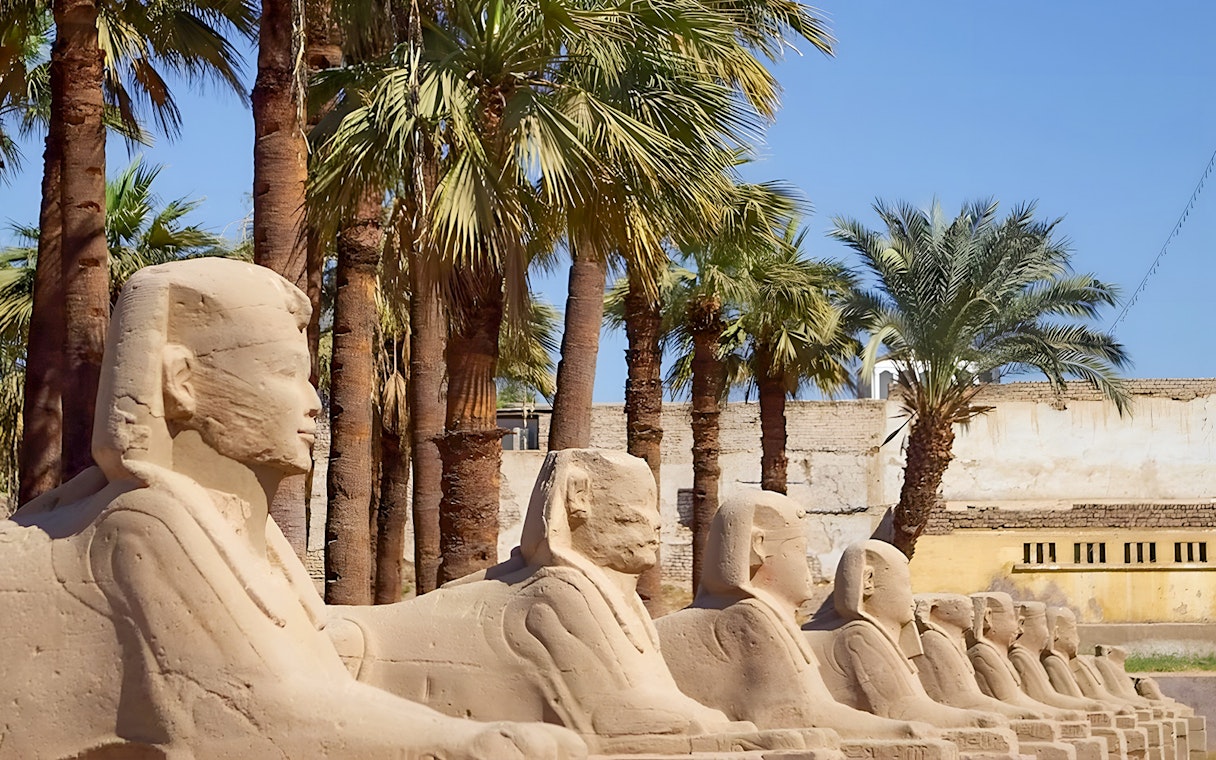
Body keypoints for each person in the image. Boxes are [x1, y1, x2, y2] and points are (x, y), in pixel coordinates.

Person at [0, 259, 583, 760]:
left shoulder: (252, 541)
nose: (311, 404)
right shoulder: (142, 528)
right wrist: (470, 743)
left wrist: (502, 597)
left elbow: (332, 658)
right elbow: (256, 714)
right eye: (286, 375)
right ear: (180, 382)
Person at [657, 491, 956, 760]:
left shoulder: (762, 616)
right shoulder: (743, 618)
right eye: (799, 549)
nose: (808, 562)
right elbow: (794, 714)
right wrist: (900, 731)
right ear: (758, 546)